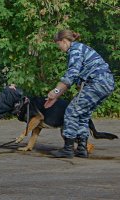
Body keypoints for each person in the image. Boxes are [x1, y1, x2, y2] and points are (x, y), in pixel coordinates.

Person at [44, 29, 115, 158]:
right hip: (105, 83)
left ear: (64, 41)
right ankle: (82, 149)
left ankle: (68, 148)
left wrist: (54, 92)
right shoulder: (81, 48)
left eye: (58, 44)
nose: (59, 48)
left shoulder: (75, 50)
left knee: (71, 111)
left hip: (97, 83)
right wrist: (57, 95)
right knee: (83, 113)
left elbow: (71, 75)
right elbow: (75, 79)